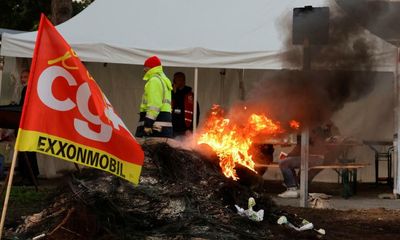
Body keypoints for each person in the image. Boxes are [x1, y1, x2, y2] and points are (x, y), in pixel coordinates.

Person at [278, 121, 340, 198]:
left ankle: (292, 189)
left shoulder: (306, 129)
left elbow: (299, 148)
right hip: (318, 158)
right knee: (289, 163)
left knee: (284, 163)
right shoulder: (317, 126)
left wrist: (288, 156)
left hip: (313, 157)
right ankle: (296, 187)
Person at [135, 56, 173, 138]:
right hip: (163, 126)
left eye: (145, 67)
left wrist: (148, 124)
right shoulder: (164, 80)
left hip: (155, 127)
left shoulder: (154, 81)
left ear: (151, 68)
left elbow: (154, 105)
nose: (144, 70)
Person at [17, 69, 40, 184]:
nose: (22, 79)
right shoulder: (29, 88)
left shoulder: (29, 89)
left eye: (25, 77)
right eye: (22, 77)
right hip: (31, 124)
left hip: (28, 124)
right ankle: (30, 175)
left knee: (27, 151)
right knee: (28, 151)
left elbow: (24, 107)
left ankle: (29, 176)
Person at [171, 72, 200, 137]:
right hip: (171, 128)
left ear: (184, 80)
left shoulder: (190, 95)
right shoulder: (171, 93)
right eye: (176, 80)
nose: (176, 82)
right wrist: (174, 93)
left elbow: (196, 112)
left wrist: (192, 128)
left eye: (179, 79)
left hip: (185, 129)